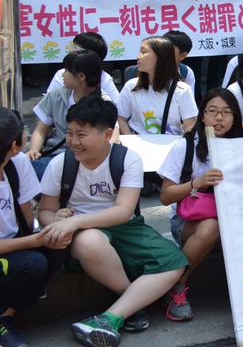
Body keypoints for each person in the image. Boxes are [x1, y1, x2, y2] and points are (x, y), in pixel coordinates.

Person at [38, 97, 188, 345]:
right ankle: (132, 304)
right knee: (89, 240)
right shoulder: (60, 164)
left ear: (107, 134)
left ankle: (110, 317)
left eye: (82, 135)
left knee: (174, 262)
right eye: (70, 133)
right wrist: (56, 218)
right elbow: (45, 210)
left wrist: (74, 222)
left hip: (125, 227)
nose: (74, 142)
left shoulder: (127, 159)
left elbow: (122, 211)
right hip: (84, 234)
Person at [156, 88, 243, 321]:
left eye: (226, 112)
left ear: (235, 117)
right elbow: (165, 196)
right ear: (202, 115)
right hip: (189, 222)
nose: (219, 118)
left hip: (235, 220)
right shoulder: (184, 148)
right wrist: (198, 182)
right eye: (212, 111)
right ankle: (176, 286)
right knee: (210, 227)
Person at [0, 109, 67, 347]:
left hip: (13, 244)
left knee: (60, 243)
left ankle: (5, 316)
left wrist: (54, 222)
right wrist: (34, 242)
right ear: (14, 145)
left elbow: (27, 220)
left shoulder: (16, 164)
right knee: (33, 262)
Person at [29, 51, 109, 179]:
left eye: (66, 70)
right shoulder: (56, 95)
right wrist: (34, 150)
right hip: (54, 155)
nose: (62, 75)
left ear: (81, 76)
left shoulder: (103, 104)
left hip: (88, 160)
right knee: (23, 168)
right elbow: (40, 130)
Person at [118, 36, 198, 135]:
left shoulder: (183, 90)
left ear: (160, 57)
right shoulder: (131, 86)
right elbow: (121, 118)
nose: (138, 56)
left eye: (143, 52)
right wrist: (131, 142)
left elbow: (190, 127)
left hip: (172, 146)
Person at [46, 32, 120, 102]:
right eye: (73, 46)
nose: (71, 50)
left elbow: (117, 108)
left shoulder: (105, 79)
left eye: (76, 49)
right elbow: (48, 103)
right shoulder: (62, 74)